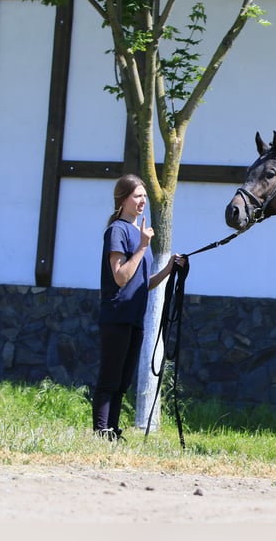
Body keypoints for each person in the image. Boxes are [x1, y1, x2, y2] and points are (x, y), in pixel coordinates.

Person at [92, 174, 185, 441]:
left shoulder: (135, 232)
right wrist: (144, 246)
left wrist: (168, 268)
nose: (143, 201)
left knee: (122, 382)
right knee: (109, 379)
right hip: (116, 316)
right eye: (137, 196)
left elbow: (142, 284)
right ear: (123, 199)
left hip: (134, 318)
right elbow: (121, 276)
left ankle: (112, 431)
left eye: (144, 196)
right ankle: (101, 431)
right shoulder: (117, 231)